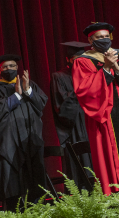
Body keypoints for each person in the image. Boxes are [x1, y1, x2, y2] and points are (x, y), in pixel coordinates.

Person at [72, 22, 119, 193]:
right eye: (99, 37)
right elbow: (85, 91)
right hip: (106, 119)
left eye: (106, 36)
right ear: (91, 39)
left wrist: (117, 68)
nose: (104, 40)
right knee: (114, 158)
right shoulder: (82, 61)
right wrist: (105, 67)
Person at [0, 54, 47, 210]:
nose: (9, 69)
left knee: (34, 175)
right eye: (5, 67)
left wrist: (27, 90)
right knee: (12, 179)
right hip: (9, 141)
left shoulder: (28, 84)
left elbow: (41, 105)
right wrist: (17, 95)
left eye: (12, 66)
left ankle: (36, 208)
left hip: (30, 139)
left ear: (17, 67)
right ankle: (14, 210)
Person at [50, 42, 93, 190]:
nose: (80, 62)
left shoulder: (92, 74)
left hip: (93, 122)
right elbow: (62, 107)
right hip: (76, 128)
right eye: (76, 59)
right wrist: (81, 88)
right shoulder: (59, 77)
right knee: (80, 167)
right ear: (68, 59)